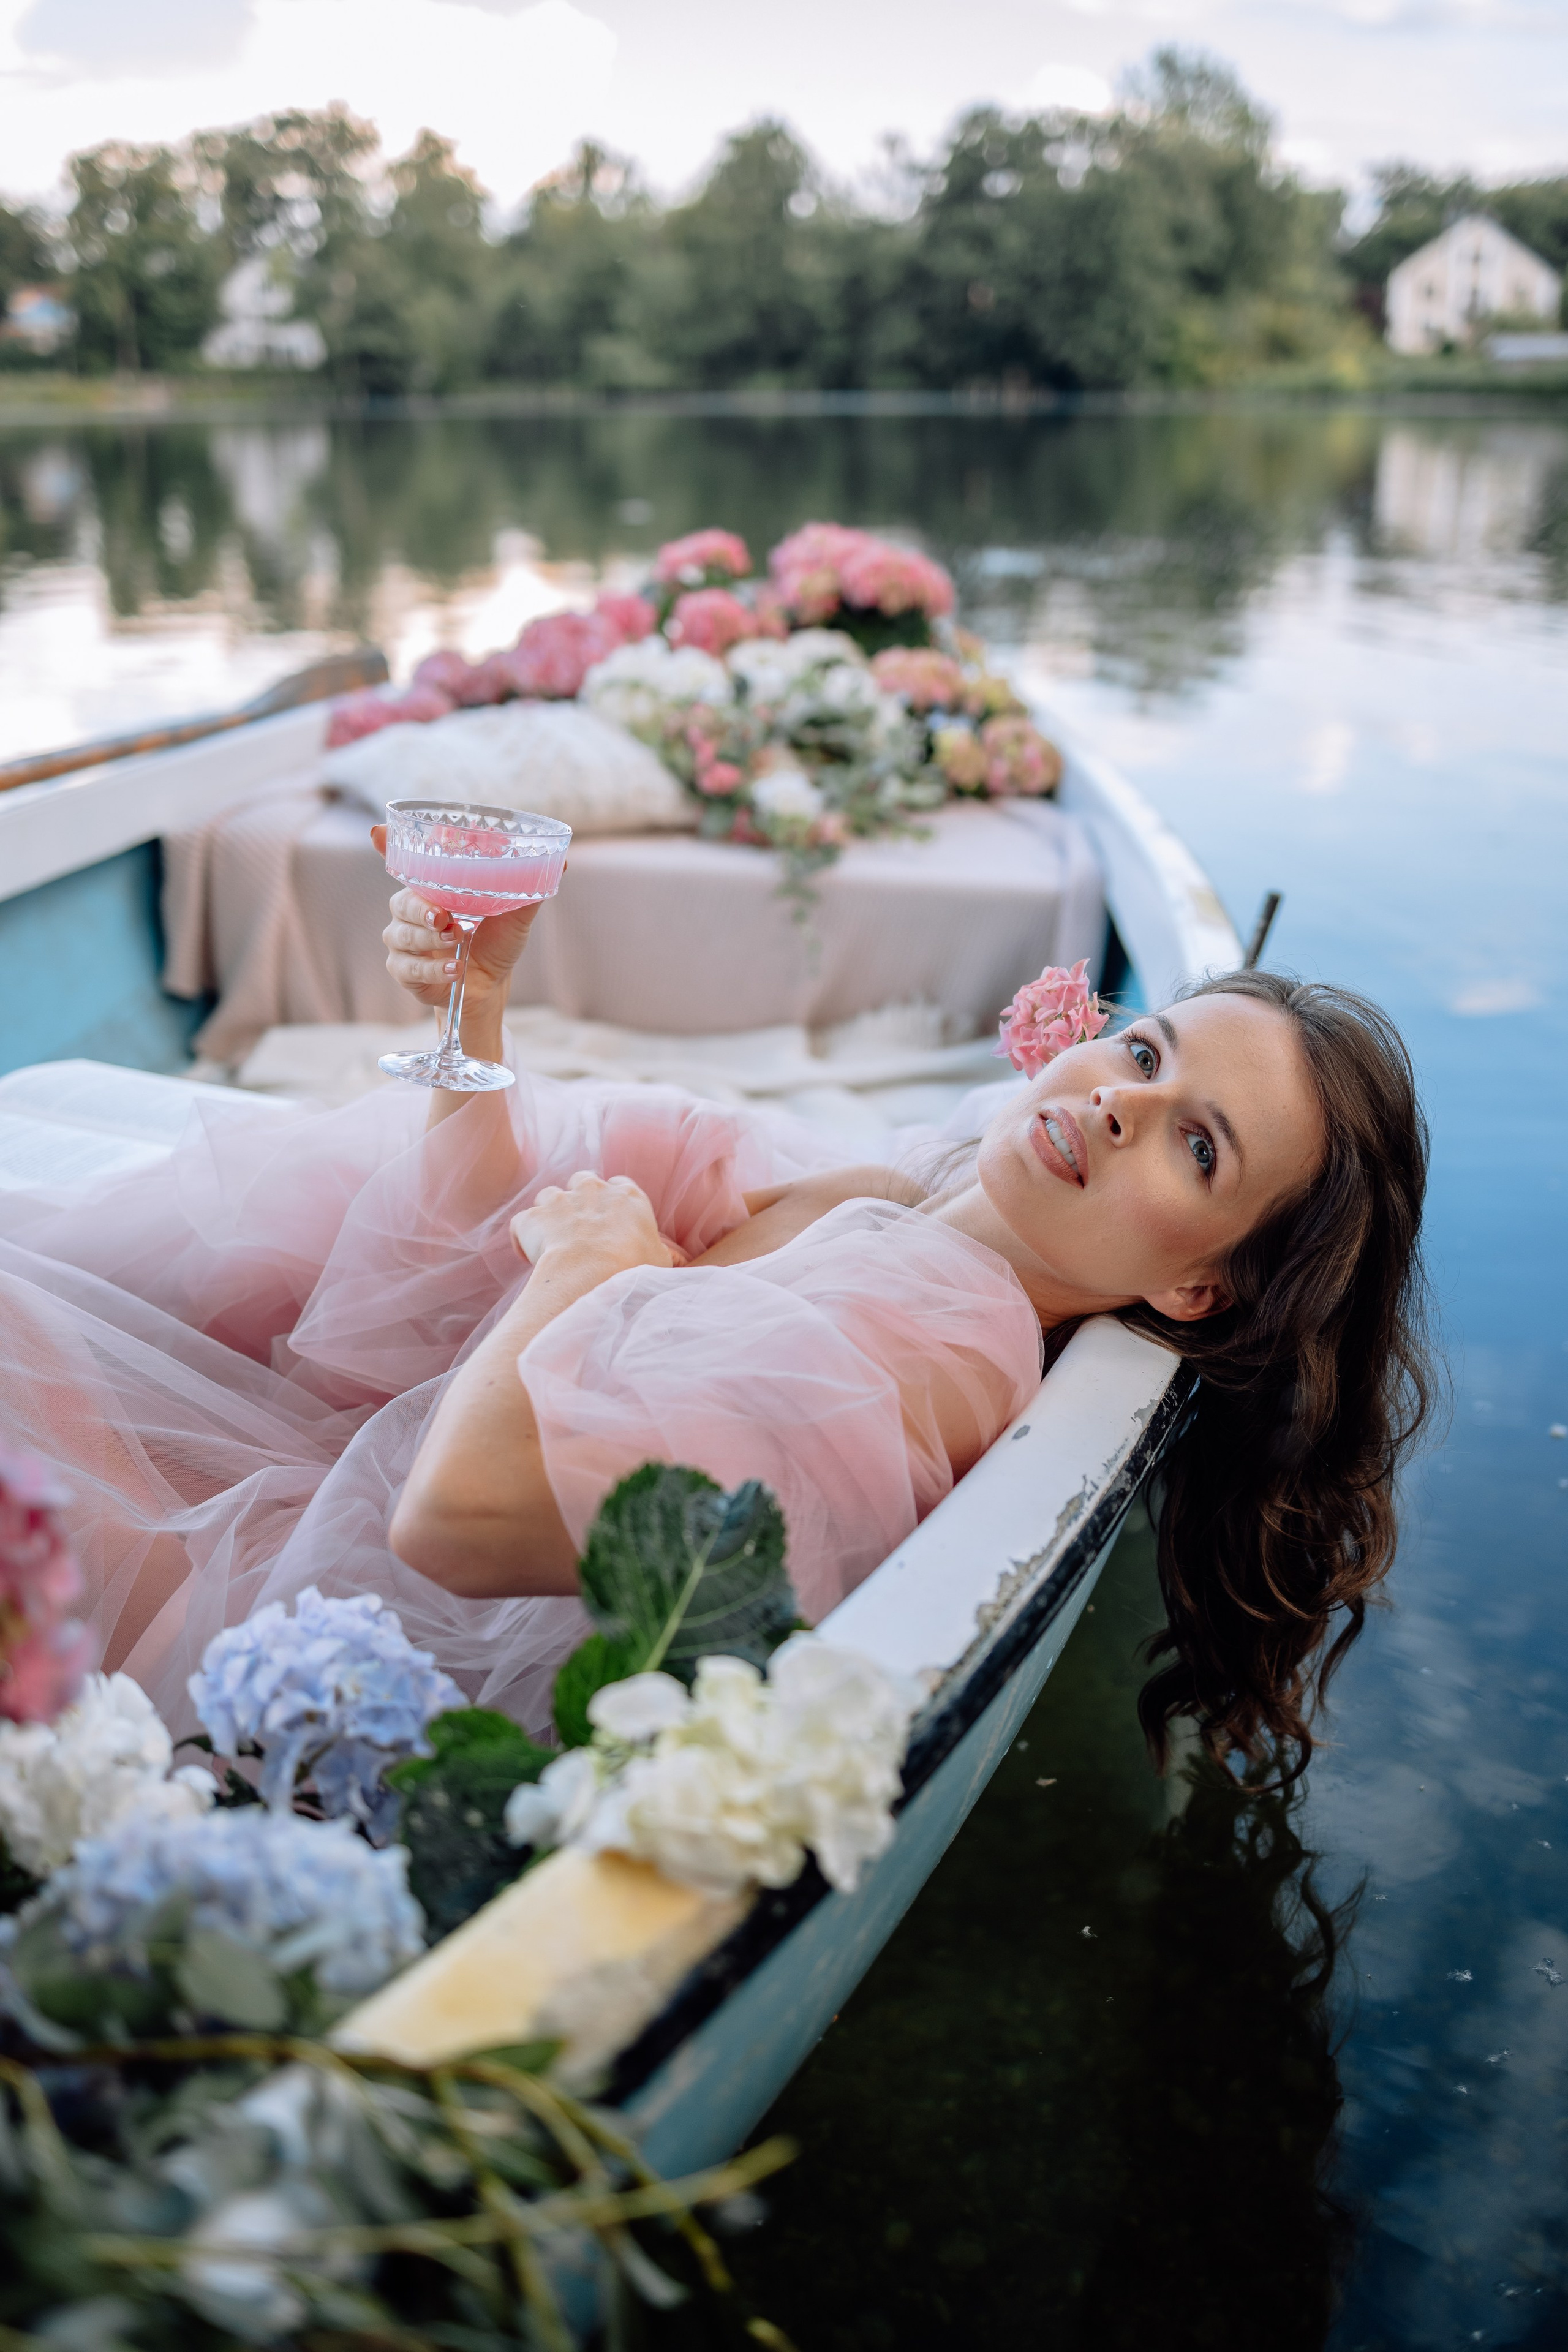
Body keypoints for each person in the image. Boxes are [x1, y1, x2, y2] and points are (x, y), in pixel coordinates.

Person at [0, 856, 1434, 1779]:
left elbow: (454, 1516)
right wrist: (477, 1017)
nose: (1118, 1098)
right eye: (1143, 1050)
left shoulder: (926, 1344)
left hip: (315, 1628)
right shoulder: (901, 1199)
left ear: (1195, 1288)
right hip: (314, 1488)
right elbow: (454, 1268)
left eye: (1196, 1147)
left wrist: (590, 1275)